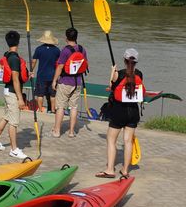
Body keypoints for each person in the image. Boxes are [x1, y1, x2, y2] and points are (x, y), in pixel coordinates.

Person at [97, 48, 143, 179]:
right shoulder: (140, 74)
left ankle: (110, 169)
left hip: (118, 111)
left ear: (124, 60)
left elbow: (110, 87)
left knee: (111, 140)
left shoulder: (119, 74)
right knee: (128, 141)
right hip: (133, 112)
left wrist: (112, 72)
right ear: (136, 62)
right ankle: (125, 170)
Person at [0, 30, 28, 159]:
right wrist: (20, 98)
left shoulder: (7, 55)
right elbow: (15, 79)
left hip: (7, 90)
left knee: (6, 116)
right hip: (12, 93)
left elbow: (17, 76)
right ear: (18, 42)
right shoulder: (15, 59)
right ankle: (14, 149)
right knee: (14, 122)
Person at [51, 27, 88, 138]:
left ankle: (57, 131)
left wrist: (54, 80)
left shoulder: (65, 50)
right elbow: (86, 64)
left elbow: (60, 66)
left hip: (65, 81)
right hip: (78, 81)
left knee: (61, 106)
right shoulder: (82, 49)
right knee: (74, 107)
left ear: (66, 37)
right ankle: (71, 132)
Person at [31, 30, 61, 113]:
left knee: (40, 94)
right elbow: (59, 63)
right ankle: (52, 110)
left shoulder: (39, 49)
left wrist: (31, 70)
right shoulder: (57, 50)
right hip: (53, 76)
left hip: (41, 76)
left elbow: (34, 61)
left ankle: (40, 110)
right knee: (52, 95)